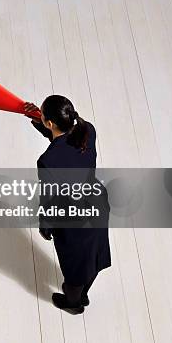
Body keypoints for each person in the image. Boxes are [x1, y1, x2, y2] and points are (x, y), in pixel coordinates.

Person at [24, 96, 110, 314]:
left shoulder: (48, 161)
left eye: (42, 114)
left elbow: (50, 199)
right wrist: (37, 120)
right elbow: (64, 143)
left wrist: (46, 226)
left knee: (74, 266)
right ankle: (84, 294)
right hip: (97, 206)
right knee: (92, 256)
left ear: (50, 123)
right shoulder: (87, 130)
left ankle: (74, 303)